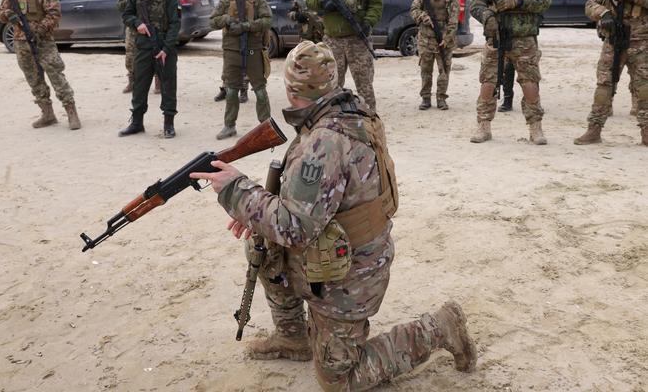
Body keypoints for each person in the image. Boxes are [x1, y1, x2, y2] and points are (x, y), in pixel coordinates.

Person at [190, 40, 477, 391]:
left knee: (341, 380)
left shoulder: (324, 142)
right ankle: (294, 337)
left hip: (349, 273)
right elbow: (319, 198)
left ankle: (440, 327)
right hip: (342, 249)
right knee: (263, 248)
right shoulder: (349, 112)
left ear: (291, 89)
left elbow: (295, 228)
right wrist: (255, 212)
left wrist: (236, 190)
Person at [469, 0, 552, 144]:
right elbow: (475, 3)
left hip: (524, 41)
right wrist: (487, 16)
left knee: (530, 84)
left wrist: (519, 0)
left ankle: (535, 128)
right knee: (488, 83)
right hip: (496, 39)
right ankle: (484, 126)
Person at [575, 0, 648, 146]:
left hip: (641, 42)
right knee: (604, 86)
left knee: (643, 88)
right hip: (613, 41)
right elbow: (590, 4)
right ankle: (594, 129)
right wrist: (604, 14)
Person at [0, 0, 81, 130]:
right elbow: (1, 12)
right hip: (21, 42)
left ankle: (71, 112)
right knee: (33, 79)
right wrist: (8, 15)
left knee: (56, 74)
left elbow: (54, 13)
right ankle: (47, 114)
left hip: (43, 41)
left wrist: (39, 30)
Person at [307, 0, 383, 111]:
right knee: (331, 85)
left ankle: (369, 118)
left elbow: (376, 3)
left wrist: (368, 22)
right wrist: (323, 2)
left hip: (357, 41)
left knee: (364, 85)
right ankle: (331, 119)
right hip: (333, 41)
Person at [119, 0, 180, 138]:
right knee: (140, 85)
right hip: (143, 46)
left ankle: (169, 124)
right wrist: (137, 23)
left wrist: (166, 49)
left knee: (168, 85)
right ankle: (137, 122)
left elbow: (175, 25)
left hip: (164, 47)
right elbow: (126, 14)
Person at [210, 0, 272, 140]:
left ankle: (266, 127)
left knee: (259, 90)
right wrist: (227, 19)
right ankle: (229, 126)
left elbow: (268, 20)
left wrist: (247, 26)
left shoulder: (257, 0)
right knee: (231, 91)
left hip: (253, 49)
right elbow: (212, 21)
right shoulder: (225, 1)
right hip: (232, 50)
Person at [410, 0, 459, 110]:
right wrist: (422, 16)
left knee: (444, 70)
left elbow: (454, 19)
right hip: (426, 38)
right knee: (426, 70)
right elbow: (413, 9)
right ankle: (426, 98)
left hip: (443, 39)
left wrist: (447, 38)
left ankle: (441, 98)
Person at [214, 0, 250, 104]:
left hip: (245, 35)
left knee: (244, 64)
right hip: (229, 38)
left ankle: (244, 90)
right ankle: (225, 88)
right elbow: (215, 19)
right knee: (227, 65)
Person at [117, 0, 145, 94]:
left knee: (154, 54)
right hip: (133, 28)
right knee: (130, 55)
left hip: (149, 27)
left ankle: (158, 81)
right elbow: (119, 6)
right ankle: (132, 81)